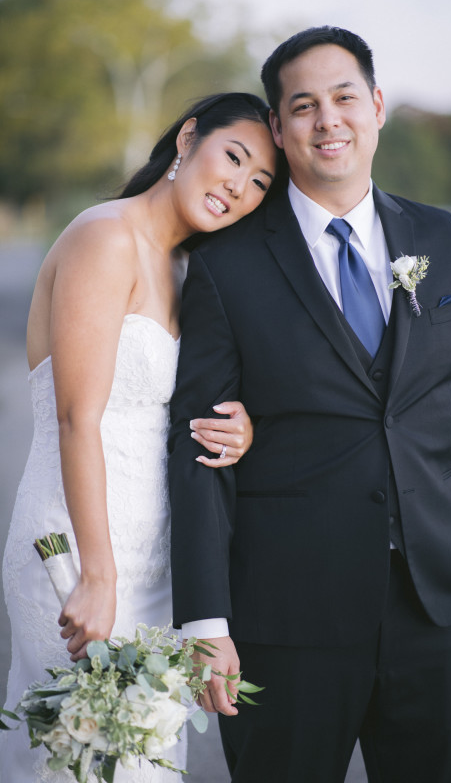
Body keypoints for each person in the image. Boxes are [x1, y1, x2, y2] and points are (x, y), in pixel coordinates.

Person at [167, 27, 451, 783]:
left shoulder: (442, 236)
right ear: (277, 129)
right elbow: (197, 449)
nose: (327, 120)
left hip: (443, 613)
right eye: (302, 105)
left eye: (343, 97)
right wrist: (205, 620)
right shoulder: (225, 265)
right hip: (285, 624)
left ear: (377, 107)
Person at [0, 92, 278, 783]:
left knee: (146, 760)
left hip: (155, 566)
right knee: (78, 758)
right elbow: (77, 417)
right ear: (188, 138)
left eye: (259, 184)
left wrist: (240, 427)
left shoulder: (190, 269)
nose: (238, 187)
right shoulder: (105, 235)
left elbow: (179, 410)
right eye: (233, 158)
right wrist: (96, 575)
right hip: (74, 550)